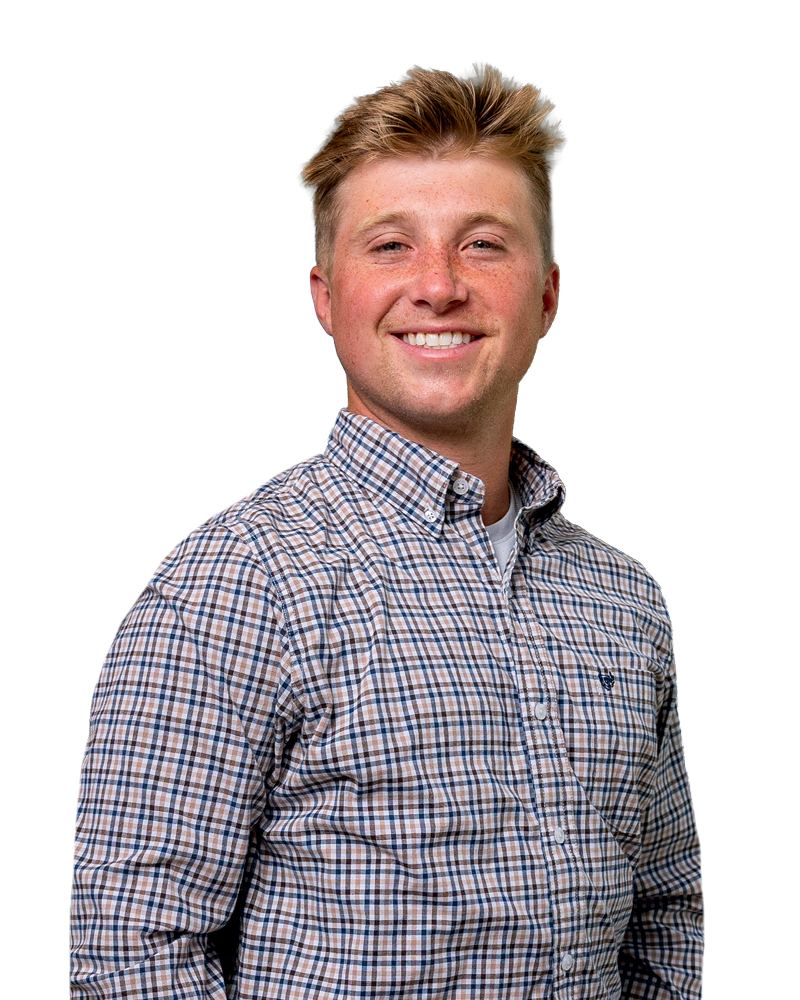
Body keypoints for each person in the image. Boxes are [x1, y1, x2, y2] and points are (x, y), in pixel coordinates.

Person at [70, 65, 703, 999]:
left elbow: (663, 915)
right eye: (392, 245)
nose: (438, 285)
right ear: (327, 297)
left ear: (548, 295)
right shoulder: (237, 584)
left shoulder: (621, 598)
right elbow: (134, 958)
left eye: (484, 244)